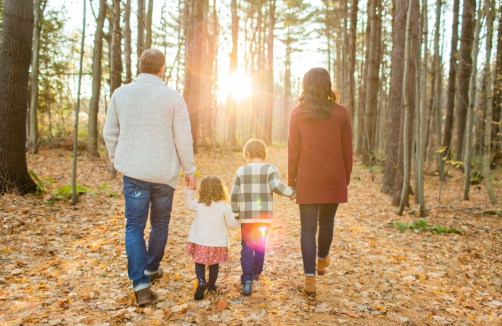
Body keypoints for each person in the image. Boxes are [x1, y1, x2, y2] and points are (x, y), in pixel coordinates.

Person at [103, 49, 196, 306]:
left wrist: (118, 159)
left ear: (140, 66)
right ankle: (151, 268)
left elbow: (110, 132)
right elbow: (183, 138)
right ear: (161, 68)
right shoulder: (173, 97)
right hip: (164, 173)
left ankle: (141, 284)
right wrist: (190, 171)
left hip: (133, 173)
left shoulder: (120, 94)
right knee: (160, 224)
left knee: (134, 226)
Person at [288, 67, 353, 297]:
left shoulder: (298, 113)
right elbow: (348, 149)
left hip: (307, 178)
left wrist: (291, 180)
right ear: (328, 85)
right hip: (334, 177)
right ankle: (322, 259)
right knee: (327, 224)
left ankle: (309, 279)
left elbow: (293, 151)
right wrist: (346, 177)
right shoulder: (341, 112)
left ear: (306, 85)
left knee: (307, 229)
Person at [231, 139, 296, 296]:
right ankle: (256, 272)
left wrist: (236, 213)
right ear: (264, 155)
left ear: (247, 154)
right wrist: (292, 193)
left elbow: (235, 193)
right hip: (264, 217)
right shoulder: (270, 169)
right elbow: (276, 186)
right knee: (260, 243)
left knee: (246, 247)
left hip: (247, 217)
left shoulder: (241, 171)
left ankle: (246, 281)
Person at [185, 176, 239, 300]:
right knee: (214, 265)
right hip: (216, 243)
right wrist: (237, 221)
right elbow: (232, 225)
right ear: (220, 190)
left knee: (199, 263)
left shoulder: (198, 203)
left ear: (202, 189)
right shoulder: (224, 207)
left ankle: (201, 281)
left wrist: (189, 191)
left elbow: (188, 205)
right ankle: (212, 285)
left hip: (200, 241)